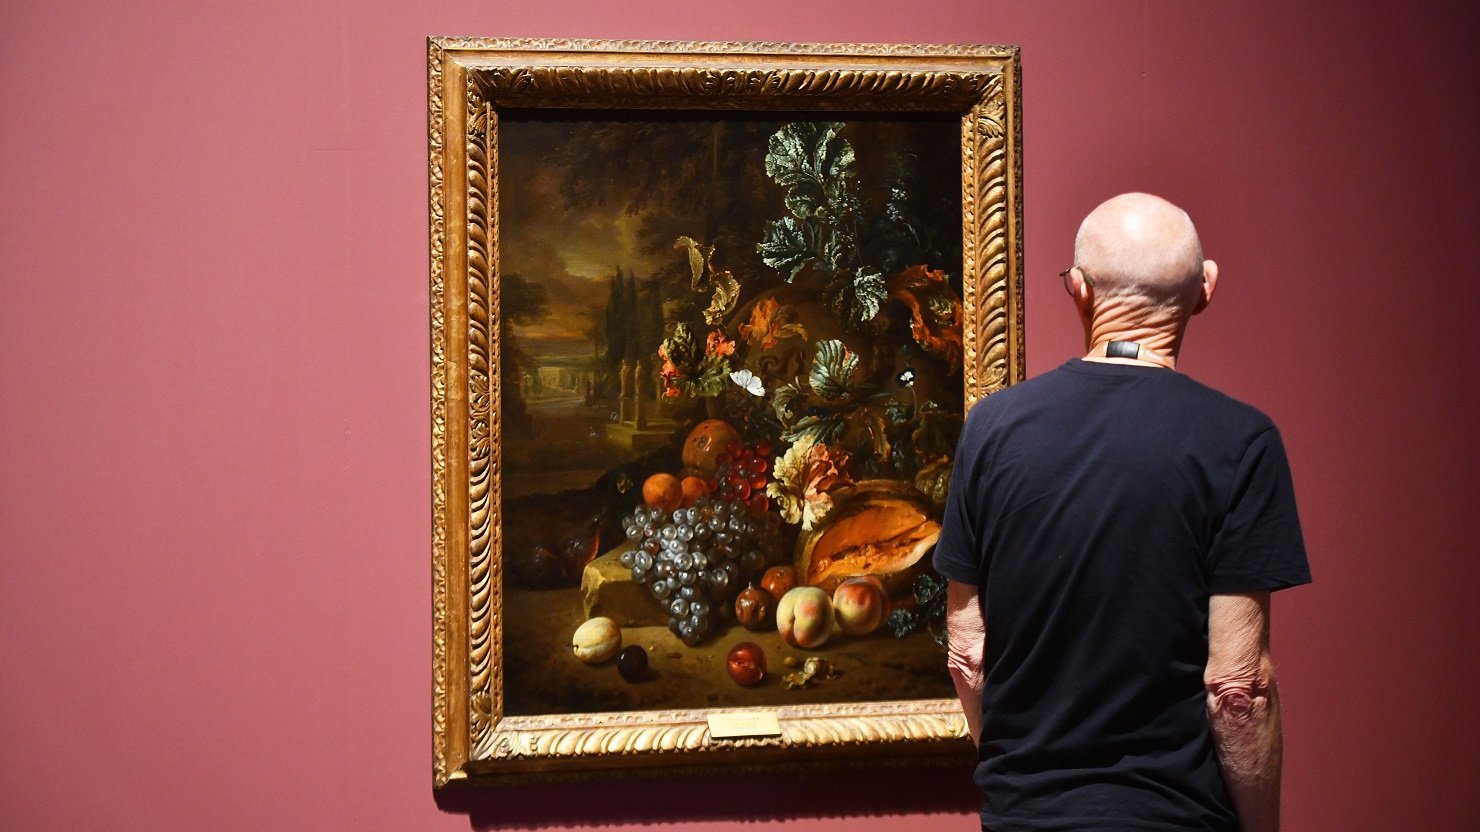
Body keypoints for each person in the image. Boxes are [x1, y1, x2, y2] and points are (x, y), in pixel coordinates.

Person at [933, 193, 1310, 832]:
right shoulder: (1241, 442)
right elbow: (1239, 690)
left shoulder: (991, 430)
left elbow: (967, 654)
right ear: (1205, 289)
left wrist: (1026, 785)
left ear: (1077, 290)